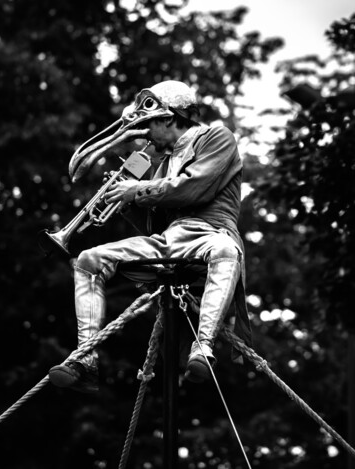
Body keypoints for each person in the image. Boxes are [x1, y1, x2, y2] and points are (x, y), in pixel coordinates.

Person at [49, 80, 252, 393]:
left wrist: (135, 190)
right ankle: (85, 359)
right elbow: (154, 227)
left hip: (212, 232)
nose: (145, 137)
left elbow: (194, 188)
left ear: (168, 118)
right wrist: (122, 203)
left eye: (148, 127)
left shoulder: (216, 136)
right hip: (170, 241)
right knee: (88, 260)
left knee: (225, 249)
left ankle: (203, 349)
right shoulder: (163, 162)